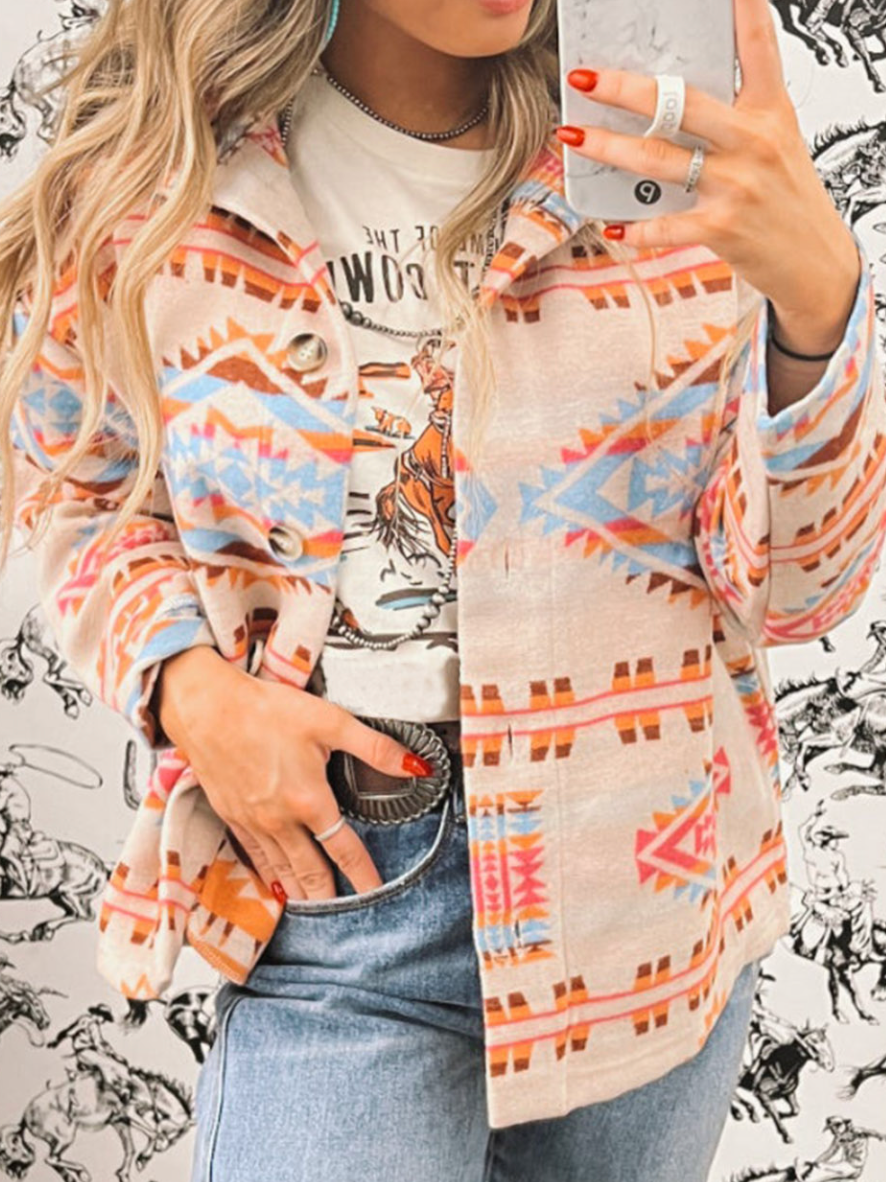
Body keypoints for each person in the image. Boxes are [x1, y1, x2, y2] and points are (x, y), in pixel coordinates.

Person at [0, 0, 883, 1178]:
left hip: (649, 899)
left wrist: (819, 305)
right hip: (340, 890)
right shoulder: (169, 174)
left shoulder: (666, 163)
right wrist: (187, 688)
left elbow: (804, 592)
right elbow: (75, 484)